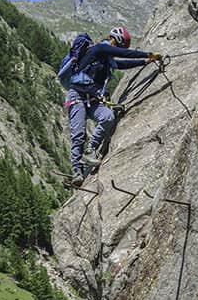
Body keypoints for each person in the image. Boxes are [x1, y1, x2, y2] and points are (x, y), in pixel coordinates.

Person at [66, 26, 162, 186]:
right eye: (119, 46)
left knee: (107, 117)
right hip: (77, 96)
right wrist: (148, 54)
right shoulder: (100, 48)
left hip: (92, 99)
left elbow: (121, 64)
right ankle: (76, 170)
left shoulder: (106, 58)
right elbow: (124, 54)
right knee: (79, 133)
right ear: (115, 41)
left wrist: (145, 61)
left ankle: (90, 150)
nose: (119, 49)